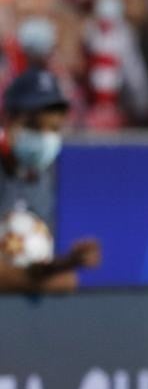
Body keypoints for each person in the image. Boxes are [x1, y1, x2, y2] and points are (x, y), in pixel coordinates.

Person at [0, 68, 100, 293]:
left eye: (53, 128)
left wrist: (68, 263)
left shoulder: (45, 176)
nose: (44, 137)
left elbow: (31, 266)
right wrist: (46, 282)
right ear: (8, 119)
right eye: (34, 126)